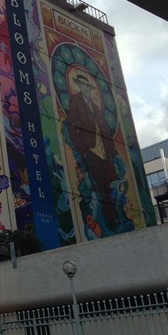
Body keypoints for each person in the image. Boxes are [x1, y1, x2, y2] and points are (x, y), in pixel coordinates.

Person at [65, 73, 119, 229]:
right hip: (90, 151)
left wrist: (112, 150)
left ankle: (114, 213)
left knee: (110, 183)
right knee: (99, 185)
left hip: (104, 152)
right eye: (82, 85)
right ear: (79, 86)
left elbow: (105, 130)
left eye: (88, 86)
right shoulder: (75, 101)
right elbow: (70, 126)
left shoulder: (95, 107)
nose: (86, 88)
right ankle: (108, 218)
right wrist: (82, 150)